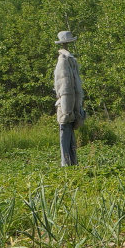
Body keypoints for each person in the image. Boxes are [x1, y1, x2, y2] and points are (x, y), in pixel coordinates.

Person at [53, 31, 85, 166]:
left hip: (71, 105)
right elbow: (64, 87)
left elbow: (73, 87)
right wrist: (67, 111)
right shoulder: (63, 61)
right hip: (66, 106)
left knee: (70, 134)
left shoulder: (69, 60)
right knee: (65, 134)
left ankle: (72, 163)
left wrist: (76, 108)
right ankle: (66, 164)